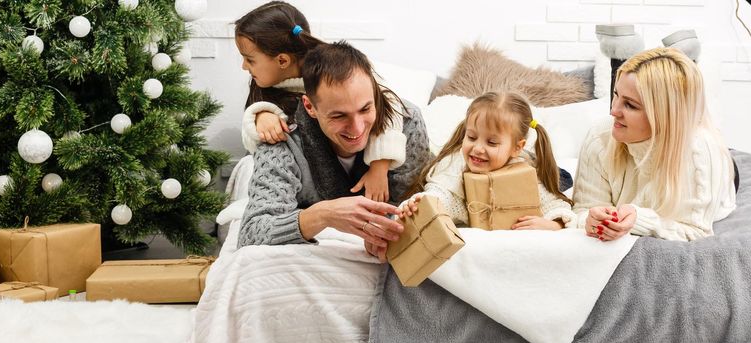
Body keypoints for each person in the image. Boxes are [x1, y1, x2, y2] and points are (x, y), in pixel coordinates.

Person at [238, 41, 432, 261]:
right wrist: (325, 214)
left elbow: (415, 204)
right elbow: (250, 233)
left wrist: (381, 230)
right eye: (339, 116)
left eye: (365, 109)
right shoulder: (281, 142)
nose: (357, 128)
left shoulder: (408, 124)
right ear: (310, 107)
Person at [234, 1, 407, 203]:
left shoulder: (339, 67)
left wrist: (380, 165)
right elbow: (254, 147)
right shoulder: (264, 88)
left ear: (282, 61)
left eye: (250, 60)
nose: (244, 66)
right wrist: (259, 115)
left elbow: (389, 103)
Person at [572, 47, 736, 242]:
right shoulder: (600, 137)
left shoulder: (699, 151)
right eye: (616, 95)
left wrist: (638, 219)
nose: (613, 111)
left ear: (663, 116)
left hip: (717, 176)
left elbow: (695, 230)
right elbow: (583, 209)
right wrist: (591, 220)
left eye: (630, 105)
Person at [399, 91, 576, 229]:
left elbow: (555, 205)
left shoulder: (524, 170)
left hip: (546, 169)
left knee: (561, 179)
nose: (477, 148)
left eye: (491, 142)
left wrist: (554, 224)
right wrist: (423, 203)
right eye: (471, 137)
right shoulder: (455, 166)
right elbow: (441, 193)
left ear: (517, 147)